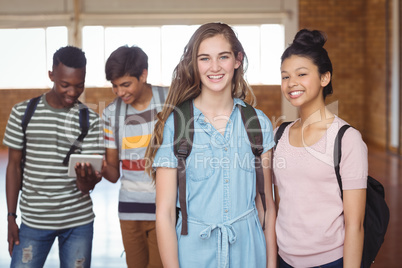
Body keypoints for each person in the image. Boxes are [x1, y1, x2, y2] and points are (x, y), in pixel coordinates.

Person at [144, 22, 277, 268]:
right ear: (194, 64)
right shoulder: (177, 125)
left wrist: (271, 265)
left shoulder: (258, 123)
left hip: (248, 253)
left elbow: (266, 206)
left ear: (237, 60)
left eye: (223, 57)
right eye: (205, 58)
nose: (214, 67)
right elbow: (164, 214)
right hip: (194, 254)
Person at [273, 29, 367, 267]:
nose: (291, 83)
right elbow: (278, 203)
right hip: (283, 258)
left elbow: (355, 225)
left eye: (301, 74)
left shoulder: (347, 139)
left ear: (324, 78)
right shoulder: (279, 134)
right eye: (285, 76)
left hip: (329, 261)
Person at [4, 46, 104, 267]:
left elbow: (86, 187)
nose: (72, 92)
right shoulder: (23, 113)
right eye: (65, 84)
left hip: (78, 222)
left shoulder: (91, 121)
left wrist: (87, 179)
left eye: (79, 85)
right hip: (34, 221)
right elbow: (13, 167)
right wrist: (11, 216)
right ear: (51, 75)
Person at [101, 45, 166, 268]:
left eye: (125, 84)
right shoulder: (111, 113)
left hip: (165, 210)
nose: (120, 92)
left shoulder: (169, 101)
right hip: (130, 211)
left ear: (143, 75)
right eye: (115, 86)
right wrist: (95, 168)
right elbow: (112, 173)